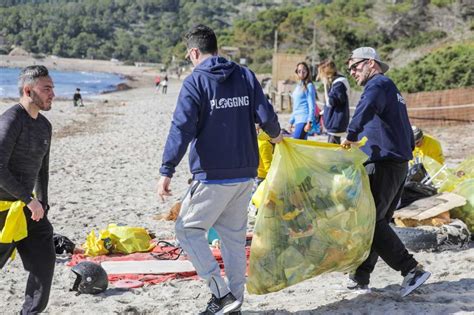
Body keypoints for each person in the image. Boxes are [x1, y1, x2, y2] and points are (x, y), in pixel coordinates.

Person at [157, 24, 282, 314]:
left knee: (187, 230)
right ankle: (234, 304)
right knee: (233, 241)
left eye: (189, 56)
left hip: (213, 175)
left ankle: (221, 294)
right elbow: (265, 114)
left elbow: (181, 128)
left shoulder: (195, 82)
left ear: (194, 52)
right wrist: (276, 135)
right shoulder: (244, 75)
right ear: (217, 48)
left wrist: (167, 169)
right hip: (245, 174)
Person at [342, 47, 431, 297]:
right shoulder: (390, 88)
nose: (352, 72)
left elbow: (366, 107)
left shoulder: (378, 84)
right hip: (397, 163)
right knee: (378, 220)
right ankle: (361, 275)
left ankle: (411, 269)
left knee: (371, 220)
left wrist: (350, 134)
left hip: (384, 162)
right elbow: (402, 125)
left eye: (355, 66)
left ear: (371, 63)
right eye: (349, 69)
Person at [0, 65, 56, 314]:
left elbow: (42, 170)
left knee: (44, 262)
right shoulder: (12, 120)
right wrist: (27, 199)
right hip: (3, 210)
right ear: (28, 90)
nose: (52, 93)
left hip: (29, 209)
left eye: (52, 88)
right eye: (46, 89)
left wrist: (41, 202)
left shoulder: (44, 126)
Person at [317, 59, 350, 144]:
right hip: (334, 124)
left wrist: (325, 85)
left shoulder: (339, 84)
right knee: (334, 150)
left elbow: (331, 102)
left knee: (333, 152)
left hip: (336, 124)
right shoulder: (337, 84)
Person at [289, 62, 316, 140]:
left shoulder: (309, 86)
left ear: (307, 72)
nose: (301, 72)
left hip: (304, 120)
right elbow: (296, 106)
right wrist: (291, 121)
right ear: (297, 73)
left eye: (304, 70)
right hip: (297, 121)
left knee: (295, 143)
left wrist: (309, 122)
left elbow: (312, 105)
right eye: (299, 71)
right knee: (300, 147)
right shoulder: (298, 86)